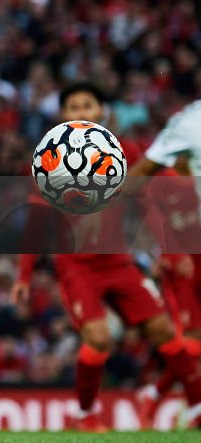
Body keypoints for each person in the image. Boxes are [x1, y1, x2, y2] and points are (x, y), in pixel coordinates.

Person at [11, 82, 201, 433]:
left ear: (102, 112)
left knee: (164, 330)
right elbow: (36, 224)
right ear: (63, 116)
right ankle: (86, 415)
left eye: (88, 106)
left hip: (118, 261)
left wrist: (169, 245)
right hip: (76, 265)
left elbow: (149, 200)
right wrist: (23, 276)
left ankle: (196, 408)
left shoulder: (125, 151)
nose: (81, 113)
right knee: (99, 338)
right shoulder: (49, 161)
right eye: (74, 108)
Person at [126, 100, 201, 427]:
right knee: (193, 341)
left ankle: (156, 396)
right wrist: (170, 257)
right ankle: (180, 404)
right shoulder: (162, 182)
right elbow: (155, 225)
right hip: (181, 266)